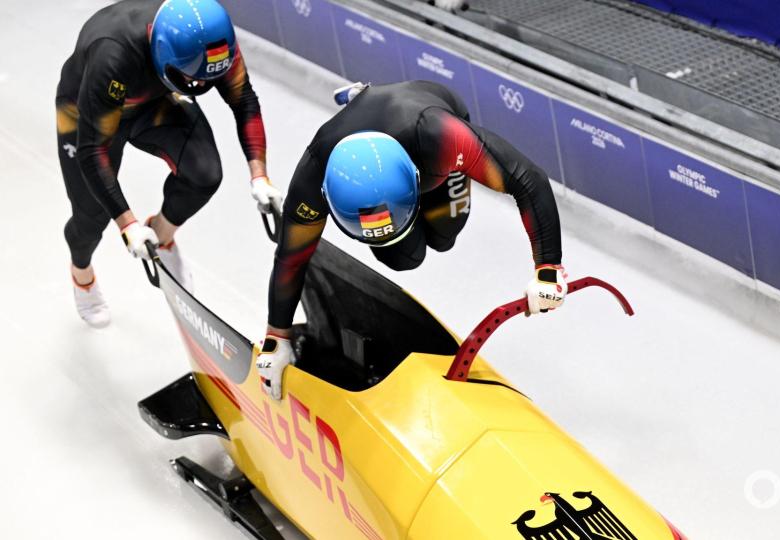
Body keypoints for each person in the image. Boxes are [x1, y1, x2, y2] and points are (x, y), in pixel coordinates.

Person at [255, 80, 565, 400]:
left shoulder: (441, 137)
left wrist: (548, 268)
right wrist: (277, 338)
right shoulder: (313, 176)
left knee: (445, 236)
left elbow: (529, 179)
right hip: (399, 171)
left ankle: (367, 97)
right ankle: (364, 99)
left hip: (435, 139)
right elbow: (292, 256)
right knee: (402, 257)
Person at [57, 0, 282, 327]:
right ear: (163, 54)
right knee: (91, 215)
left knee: (204, 174)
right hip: (88, 112)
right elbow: (93, 151)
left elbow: (244, 100)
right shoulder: (113, 55)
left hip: (154, 101)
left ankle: (161, 235)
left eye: (208, 79)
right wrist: (128, 226)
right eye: (195, 79)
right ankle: (82, 274)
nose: (203, 87)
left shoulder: (214, 43)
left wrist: (259, 176)